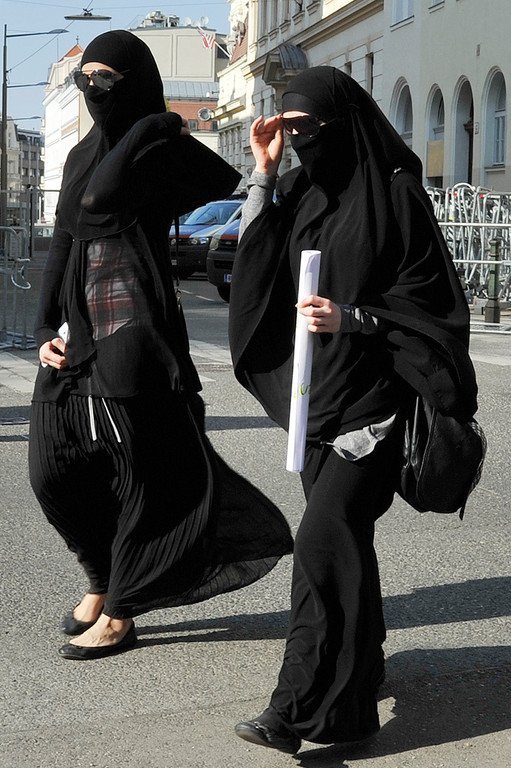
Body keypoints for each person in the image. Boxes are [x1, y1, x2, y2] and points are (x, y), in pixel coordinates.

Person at [229, 67, 478, 753]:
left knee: (320, 543)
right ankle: (358, 679)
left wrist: (354, 318)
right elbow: (254, 269)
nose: (299, 139)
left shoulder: (395, 194)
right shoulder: (301, 190)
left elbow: (432, 303)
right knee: (344, 547)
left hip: (376, 408)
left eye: (308, 128)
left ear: (344, 124)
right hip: (316, 403)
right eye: (288, 128)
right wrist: (264, 173)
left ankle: (296, 709)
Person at [29, 30, 292, 661]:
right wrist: (41, 329)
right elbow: (65, 239)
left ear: (138, 84)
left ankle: (120, 610)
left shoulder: (161, 149)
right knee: (51, 467)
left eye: (105, 78)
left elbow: (110, 199)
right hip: (77, 328)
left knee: (142, 473)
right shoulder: (82, 154)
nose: (92, 89)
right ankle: (101, 575)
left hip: (136, 326)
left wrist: (153, 127)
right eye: (84, 78)